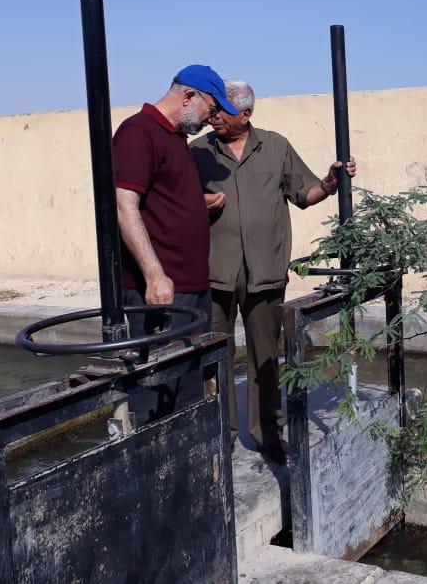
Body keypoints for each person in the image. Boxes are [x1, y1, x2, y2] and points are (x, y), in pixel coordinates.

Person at [191, 80, 356, 463]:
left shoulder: (275, 146)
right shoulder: (196, 152)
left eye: (222, 111)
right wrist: (198, 203)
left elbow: (304, 194)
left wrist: (330, 183)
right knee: (214, 359)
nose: (214, 117)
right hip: (214, 272)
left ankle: (267, 433)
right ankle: (219, 436)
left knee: (266, 357)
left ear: (246, 114)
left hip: (265, 271)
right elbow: (176, 203)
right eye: (213, 109)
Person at [113, 64, 238, 342]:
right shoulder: (139, 131)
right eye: (212, 109)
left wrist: (195, 204)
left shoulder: (175, 136)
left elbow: (162, 197)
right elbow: (123, 206)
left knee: (195, 367)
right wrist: (155, 276)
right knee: (165, 367)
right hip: (163, 290)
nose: (212, 119)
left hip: (190, 286)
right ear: (189, 97)